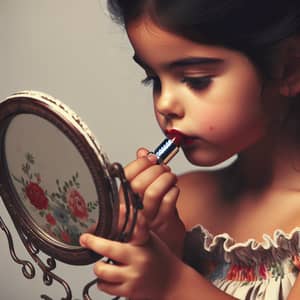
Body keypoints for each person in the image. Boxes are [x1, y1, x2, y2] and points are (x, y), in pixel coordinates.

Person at [79, 1, 300, 299]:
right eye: (154, 79)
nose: (164, 104)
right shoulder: (184, 203)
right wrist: (165, 245)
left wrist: (170, 283)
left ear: (289, 68)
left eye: (196, 80)